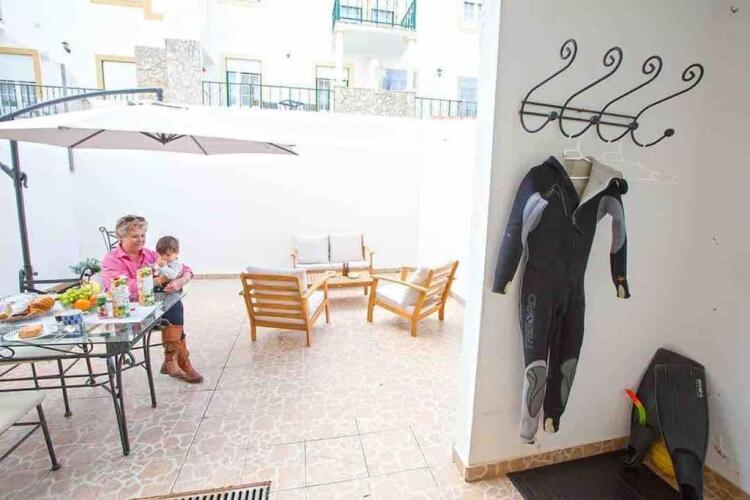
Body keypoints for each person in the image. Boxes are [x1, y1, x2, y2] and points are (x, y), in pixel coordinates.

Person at [101, 215, 203, 383]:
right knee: (173, 307)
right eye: (135, 236)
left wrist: (181, 280)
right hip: (128, 312)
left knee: (174, 302)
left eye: (143, 235)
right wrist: (159, 280)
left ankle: (172, 360)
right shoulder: (111, 260)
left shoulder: (149, 254)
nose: (141, 240)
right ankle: (179, 362)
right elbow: (123, 288)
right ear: (121, 237)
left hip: (152, 308)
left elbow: (183, 267)